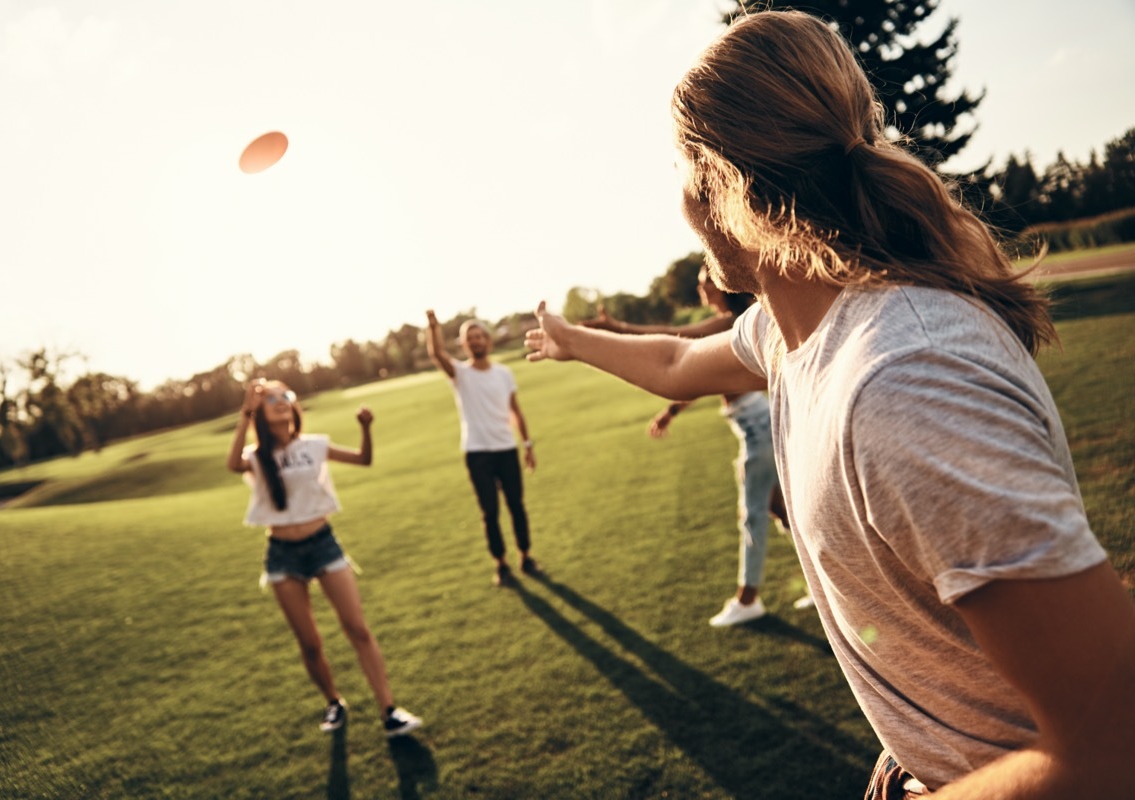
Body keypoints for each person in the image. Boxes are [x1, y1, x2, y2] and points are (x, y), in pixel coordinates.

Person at [524, 10, 1135, 797]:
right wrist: (573, 339)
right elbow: (678, 360)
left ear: (722, 182)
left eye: (682, 166)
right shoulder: (795, 333)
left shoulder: (905, 381)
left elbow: (1111, 747)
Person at [585, 271, 812, 626]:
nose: (700, 286)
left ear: (721, 285)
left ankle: (748, 599)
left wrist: (614, 327)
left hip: (758, 430)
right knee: (781, 510)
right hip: (757, 424)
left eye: (705, 280)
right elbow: (699, 377)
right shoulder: (731, 321)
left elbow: (674, 343)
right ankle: (819, 582)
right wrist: (672, 410)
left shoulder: (728, 323)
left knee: (752, 515)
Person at [226, 379, 422, 737]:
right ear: (260, 410)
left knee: (358, 628)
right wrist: (245, 413)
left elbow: (364, 459)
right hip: (282, 556)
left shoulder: (315, 445)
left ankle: (389, 710)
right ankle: (333, 701)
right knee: (310, 643)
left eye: (284, 395)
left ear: (294, 405)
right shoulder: (256, 456)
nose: (279, 401)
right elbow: (232, 464)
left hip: (324, 544)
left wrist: (365, 428)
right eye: (269, 398)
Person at [425, 311, 540, 587]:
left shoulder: (504, 374)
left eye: (479, 336)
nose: (476, 342)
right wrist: (432, 327)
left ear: (487, 340)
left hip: (506, 448)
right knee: (490, 511)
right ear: (464, 345)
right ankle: (501, 564)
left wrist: (526, 444)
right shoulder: (460, 375)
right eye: (470, 339)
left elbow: (516, 411)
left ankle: (526, 556)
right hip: (477, 452)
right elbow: (437, 354)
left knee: (516, 506)